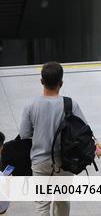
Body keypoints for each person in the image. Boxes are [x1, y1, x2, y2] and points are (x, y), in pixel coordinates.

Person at [20, 62, 95, 215]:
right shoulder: (70, 104)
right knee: (62, 201)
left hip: (40, 162)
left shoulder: (30, 105)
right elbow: (84, 131)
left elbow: (24, 134)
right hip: (65, 161)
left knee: (42, 205)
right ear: (61, 83)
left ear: (41, 81)